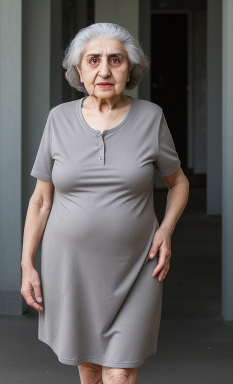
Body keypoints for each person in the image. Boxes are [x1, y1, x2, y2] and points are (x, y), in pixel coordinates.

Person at [21, 22, 189, 384]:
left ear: (130, 69)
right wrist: (26, 265)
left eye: (116, 59)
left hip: (138, 266)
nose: (104, 70)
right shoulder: (58, 119)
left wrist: (167, 230)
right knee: (90, 369)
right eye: (93, 60)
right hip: (70, 268)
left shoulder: (151, 117)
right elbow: (40, 201)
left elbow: (178, 182)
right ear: (78, 70)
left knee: (120, 372)